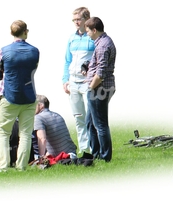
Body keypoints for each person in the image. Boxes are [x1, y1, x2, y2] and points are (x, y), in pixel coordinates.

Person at [0, 20, 40, 171]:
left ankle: (3, 167)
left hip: (9, 96)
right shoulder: (35, 51)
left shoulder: (3, 51)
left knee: (4, 134)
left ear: (11, 33)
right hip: (29, 96)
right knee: (26, 134)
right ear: (26, 31)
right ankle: (21, 167)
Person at [62, 7, 96, 159]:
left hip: (88, 82)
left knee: (92, 117)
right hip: (73, 82)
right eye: (74, 19)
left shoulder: (93, 37)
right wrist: (65, 80)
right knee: (78, 117)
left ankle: (96, 148)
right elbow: (67, 61)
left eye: (78, 19)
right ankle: (85, 150)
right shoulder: (71, 38)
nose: (76, 22)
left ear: (86, 20)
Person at [84, 17, 116, 162]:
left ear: (94, 30)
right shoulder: (103, 42)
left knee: (100, 125)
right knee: (90, 123)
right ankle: (95, 153)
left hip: (99, 89)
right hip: (97, 88)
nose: (87, 34)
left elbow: (101, 72)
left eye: (88, 31)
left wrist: (90, 88)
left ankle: (105, 157)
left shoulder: (103, 45)